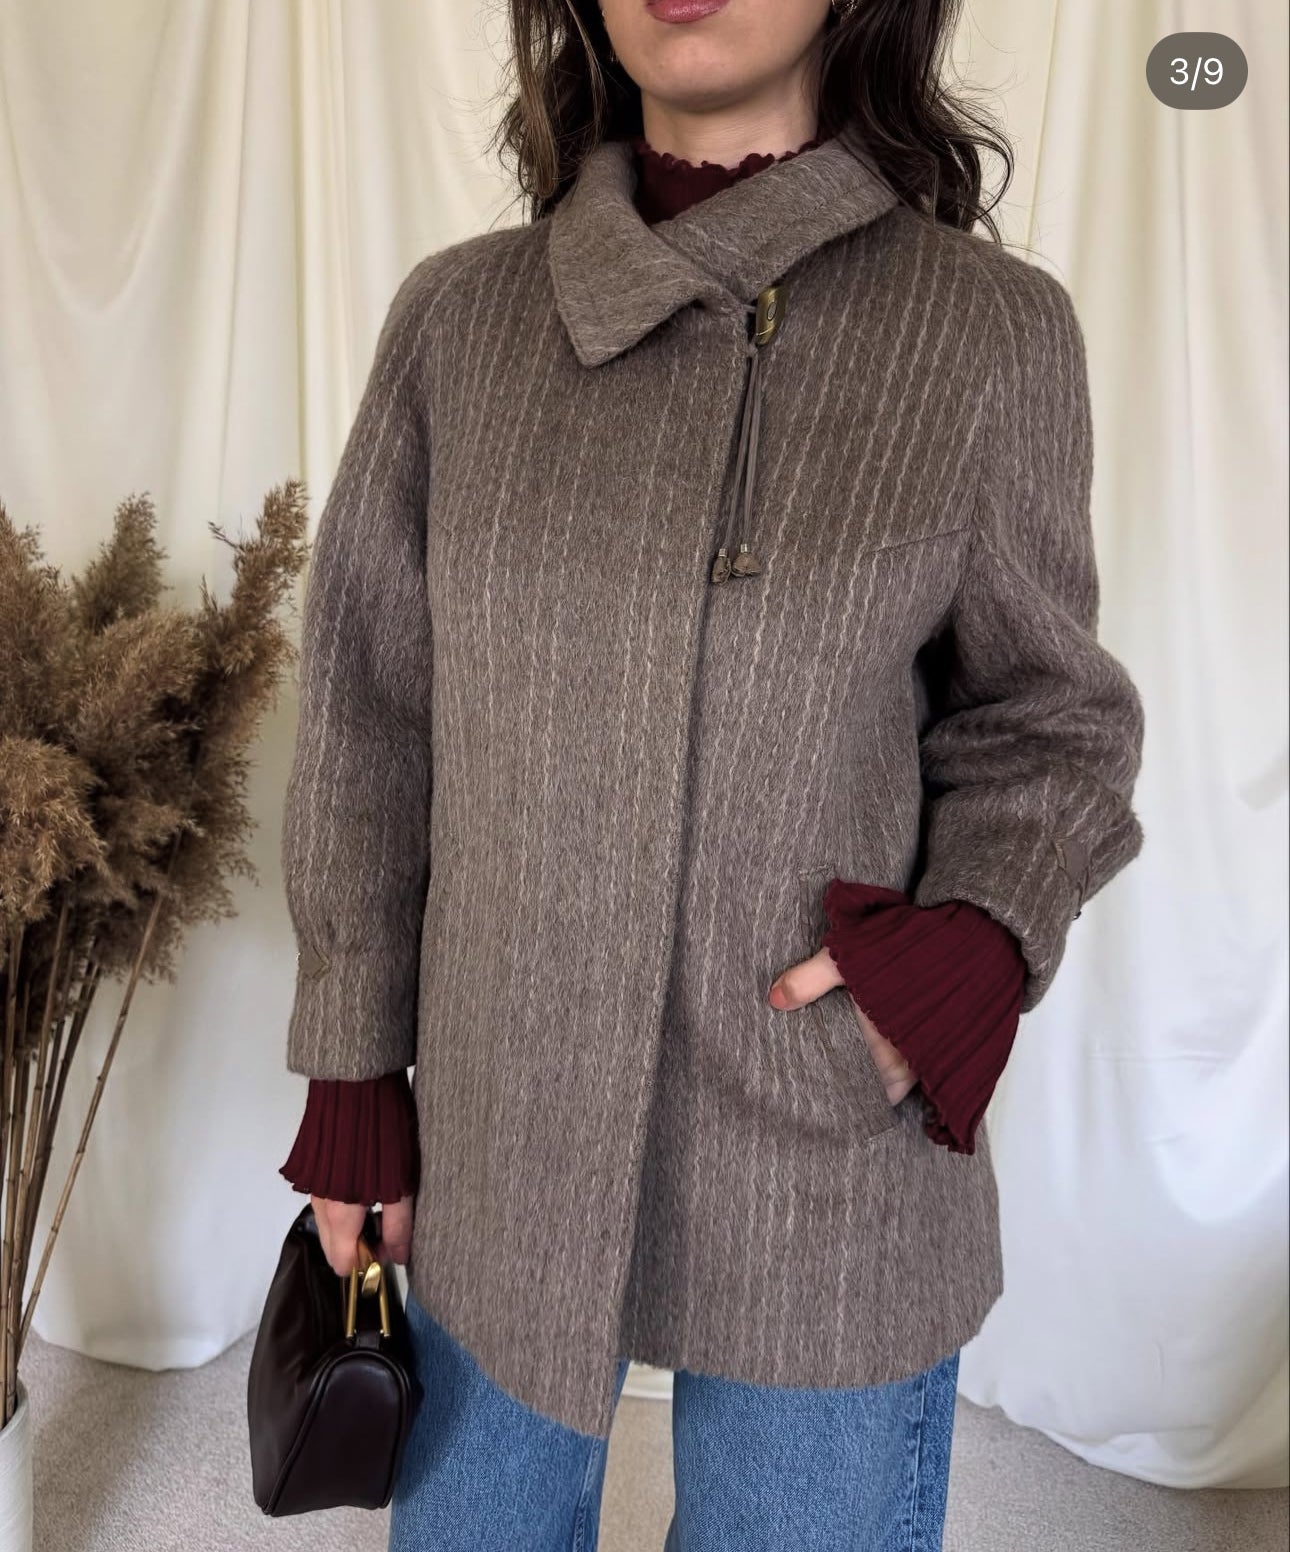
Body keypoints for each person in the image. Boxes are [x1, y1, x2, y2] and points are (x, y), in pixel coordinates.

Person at [276, 0, 1147, 1546]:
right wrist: (355, 1074)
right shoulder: (460, 324)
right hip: (500, 1118)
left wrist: (968, 949)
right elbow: (372, 721)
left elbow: (1045, 717)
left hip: (822, 1122)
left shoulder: (985, 332)